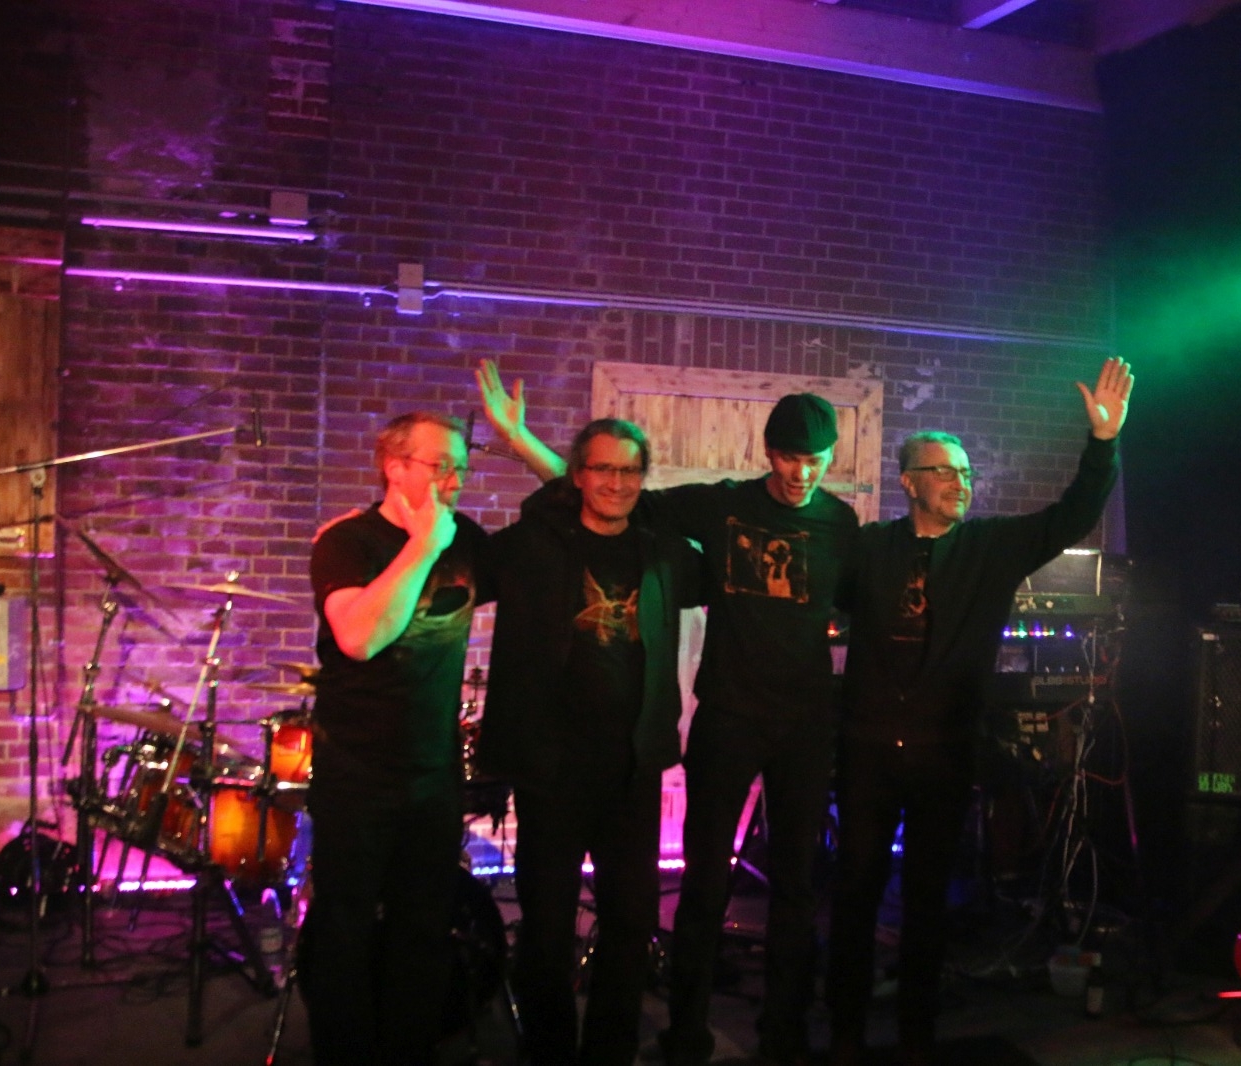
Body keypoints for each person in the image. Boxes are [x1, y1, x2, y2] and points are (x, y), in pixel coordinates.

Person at [476, 360, 858, 1066]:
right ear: (767, 452)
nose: (801, 472)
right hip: (676, 732)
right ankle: (641, 1039)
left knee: (762, 895)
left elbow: (858, 599)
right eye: (788, 456)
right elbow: (599, 494)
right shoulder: (704, 509)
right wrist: (521, 440)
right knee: (662, 897)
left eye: (815, 459)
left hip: (745, 738)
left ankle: (755, 1037)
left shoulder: (831, 523)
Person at [825, 357, 1134, 1066]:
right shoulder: (870, 549)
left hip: (943, 749)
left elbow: (1073, 515)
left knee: (927, 903)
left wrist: (1102, 442)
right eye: (944, 471)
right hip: (869, 748)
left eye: (965, 472)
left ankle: (916, 1038)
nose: (960, 481)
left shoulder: (991, 548)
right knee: (855, 895)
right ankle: (843, 1034)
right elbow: (822, 602)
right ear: (910, 482)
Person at [477, 418, 699, 1066]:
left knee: (630, 923)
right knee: (547, 925)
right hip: (550, 768)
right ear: (576, 475)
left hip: (632, 766)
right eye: (602, 468)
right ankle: (548, 1051)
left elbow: (726, 580)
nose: (617, 483)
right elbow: (460, 565)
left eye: (630, 470)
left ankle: (609, 1052)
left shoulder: (665, 554)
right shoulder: (532, 545)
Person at [306, 411, 489, 1065]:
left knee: (423, 931)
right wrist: (422, 547)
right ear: (395, 466)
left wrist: (522, 440)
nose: (455, 480)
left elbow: (565, 516)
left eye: (461, 467)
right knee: (345, 930)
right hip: (356, 773)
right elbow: (361, 637)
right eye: (442, 466)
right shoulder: (347, 542)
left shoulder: (466, 538)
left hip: (433, 773)